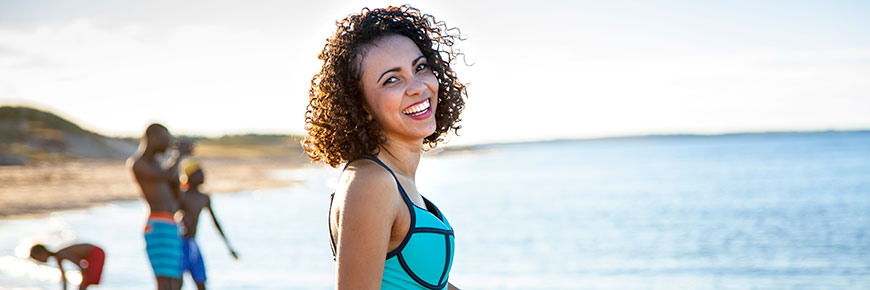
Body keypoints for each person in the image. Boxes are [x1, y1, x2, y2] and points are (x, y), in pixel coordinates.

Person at [303, 5, 467, 290]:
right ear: (361, 106)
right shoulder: (370, 182)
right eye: (392, 79)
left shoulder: (392, 180)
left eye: (420, 67)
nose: (417, 87)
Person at [128, 123, 188, 290]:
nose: (167, 145)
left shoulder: (159, 164)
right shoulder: (138, 164)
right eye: (164, 140)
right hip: (158, 223)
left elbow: (177, 194)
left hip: (171, 223)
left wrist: (177, 163)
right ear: (153, 138)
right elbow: (166, 175)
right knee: (165, 280)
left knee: (176, 279)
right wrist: (178, 156)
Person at [177, 157, 239, 290]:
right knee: (176, 283)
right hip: (179, 244)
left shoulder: (204, 198)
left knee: (201, 282)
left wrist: (229, 247)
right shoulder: (182, 195)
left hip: (193, 243)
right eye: (199, 172)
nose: (203, 175)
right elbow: (172, 214)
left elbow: (216, 223)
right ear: (190, 176)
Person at [29, 243, 105, 290]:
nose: (39, 260)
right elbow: (64, 278)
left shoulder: (61, 254)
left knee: (88, 281)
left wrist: (82, 284)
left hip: (96, 253)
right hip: (92, 254)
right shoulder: (58, 257)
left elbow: (81, 266)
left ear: (42, 253)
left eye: (37, 258)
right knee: (86, 283)